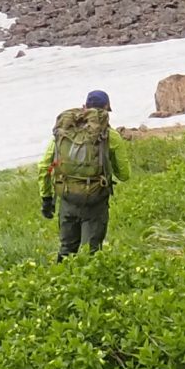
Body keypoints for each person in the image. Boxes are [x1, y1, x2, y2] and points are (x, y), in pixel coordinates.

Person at [40, 89, 129, 258]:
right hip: (95, 200)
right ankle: (92, 281)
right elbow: (124, 175)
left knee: (66, 249)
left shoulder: (64, 134)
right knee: (92, 251)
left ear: (84, 107)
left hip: (68, 197)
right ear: (106, 109)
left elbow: (44, 166)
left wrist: (46, 199)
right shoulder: (111, 136)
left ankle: (58, 282)